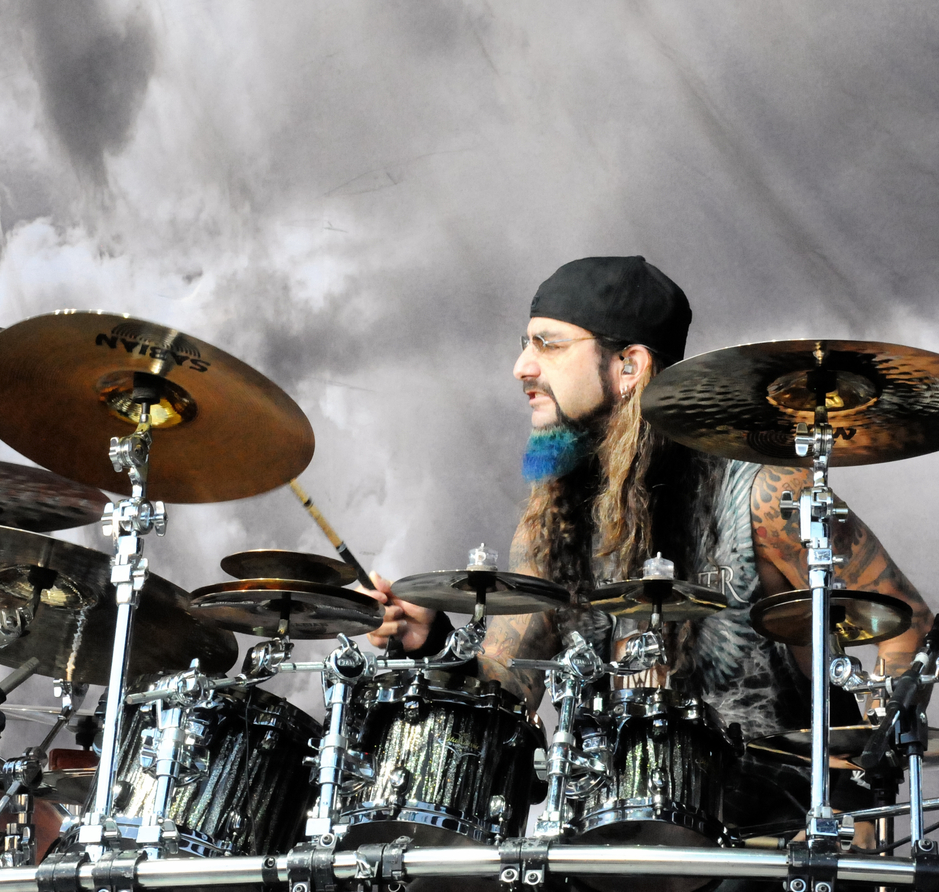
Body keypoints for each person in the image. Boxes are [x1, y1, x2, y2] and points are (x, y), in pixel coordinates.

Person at [363, 256, 932, 884]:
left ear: (629, 366)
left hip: (764, 847)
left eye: (547, 346)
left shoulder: (764, 493)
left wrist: (855, 808)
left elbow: (900, 637)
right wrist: (432, 641)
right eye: (524, 345)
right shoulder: (554, 522)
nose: (521, 367)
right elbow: (506, 691)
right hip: (606, 848)